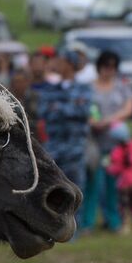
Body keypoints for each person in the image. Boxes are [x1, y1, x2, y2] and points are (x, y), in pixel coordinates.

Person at [79, 50, 132, 234]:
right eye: (106, 66)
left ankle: (114, 221)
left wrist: (109, 120)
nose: (109, 71)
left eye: (112, 67)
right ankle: (87, 222)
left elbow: (128, 108)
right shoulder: (88, 87)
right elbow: (82, 108)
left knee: (114, 185)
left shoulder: (121, 87)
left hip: (114, 144)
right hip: (93, 142)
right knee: (92, 183)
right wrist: (93, 122)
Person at [32, 49, 93, 189]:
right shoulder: (50, 89)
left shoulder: (84, 89)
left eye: (61, 61)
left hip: (76, 151)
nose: (56, 64)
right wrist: (71, 106)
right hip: (53, 150)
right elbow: (43, 112)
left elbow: (84, 111)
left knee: (76, 193)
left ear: (70, 64)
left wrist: (58, 106)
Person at [106, 123, 132, 235]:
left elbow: (116, 169)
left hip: (124, 184)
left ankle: (126, 226)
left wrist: (107, 168)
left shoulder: (117, 151)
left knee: (123, 206)